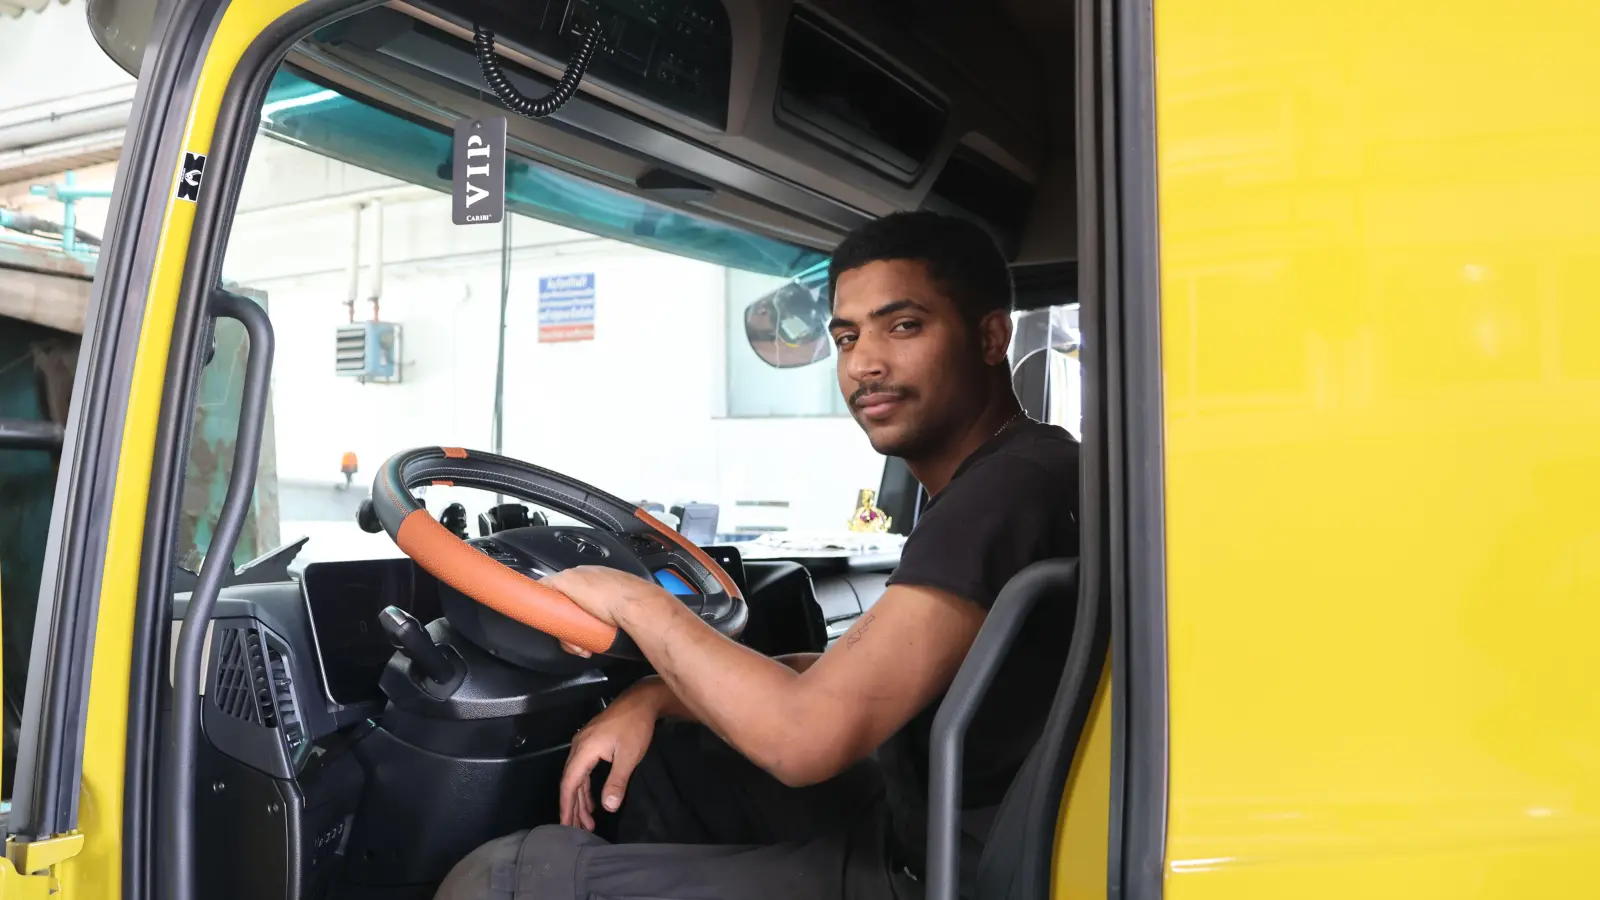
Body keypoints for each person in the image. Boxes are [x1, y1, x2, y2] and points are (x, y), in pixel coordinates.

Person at [434, 211, 1081, 900]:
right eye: (847, 336)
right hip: (958, 826)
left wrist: (629, 597)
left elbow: (805, 738)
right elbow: (857, 671)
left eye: (904, 326)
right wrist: (657, 694)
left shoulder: (997, 495)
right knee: (673, 765)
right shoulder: (1039, 467)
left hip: (941, 872)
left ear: (989, 337)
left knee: (498, 881)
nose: (864, 363)